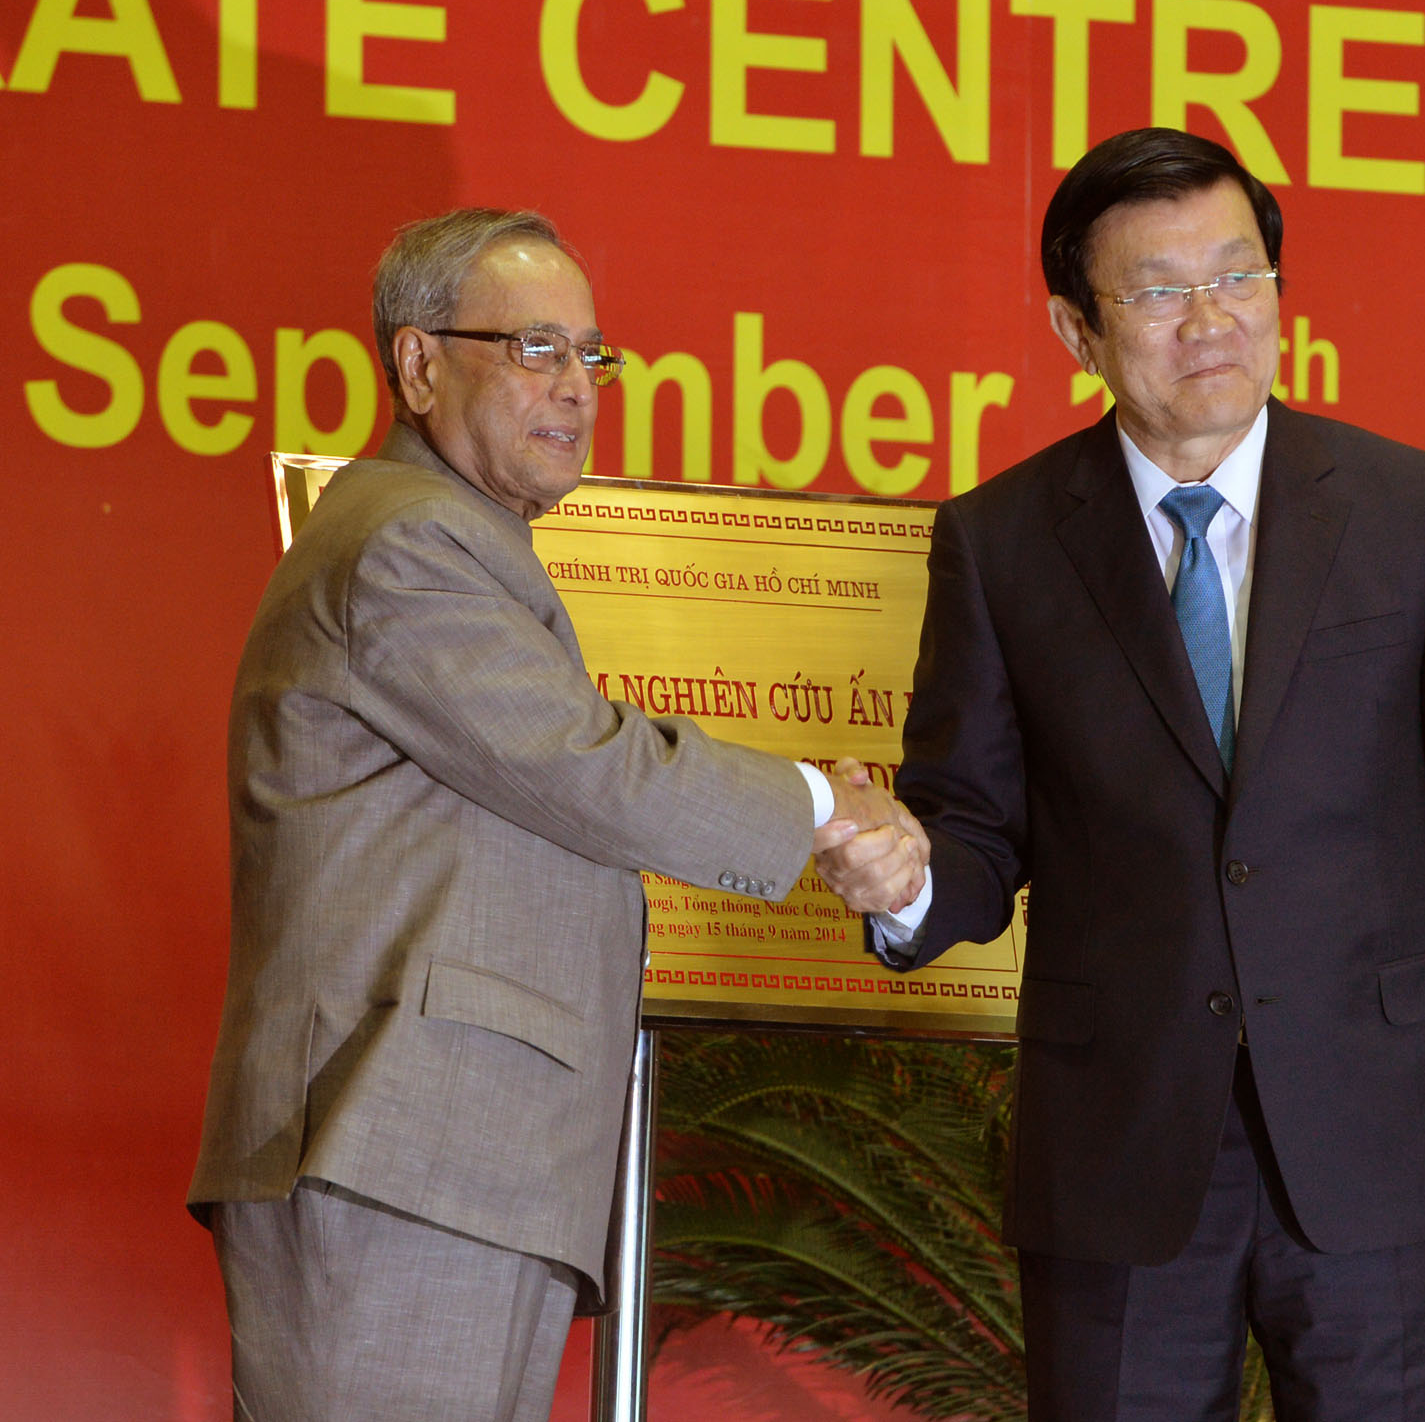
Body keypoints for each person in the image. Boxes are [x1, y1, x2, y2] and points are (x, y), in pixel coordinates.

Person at [819, 129, 1425, 1421]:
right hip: (1120, 1162)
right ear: (1075, 329)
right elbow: (977, 839)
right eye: (1158, 291)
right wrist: (904, 879)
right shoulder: (1001, 546)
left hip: (1380, 1160)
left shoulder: (1408, 512)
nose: (1210, 319)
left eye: (1240, 275)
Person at [188, 208, 924, 1421]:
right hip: (396, 1164)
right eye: (535, 349)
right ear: (419, 362)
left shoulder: (460, 543)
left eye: (593, 356)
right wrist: (821, 808)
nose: (577, 389)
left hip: (447, 1170)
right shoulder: (405, 542)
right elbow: (585, 767)